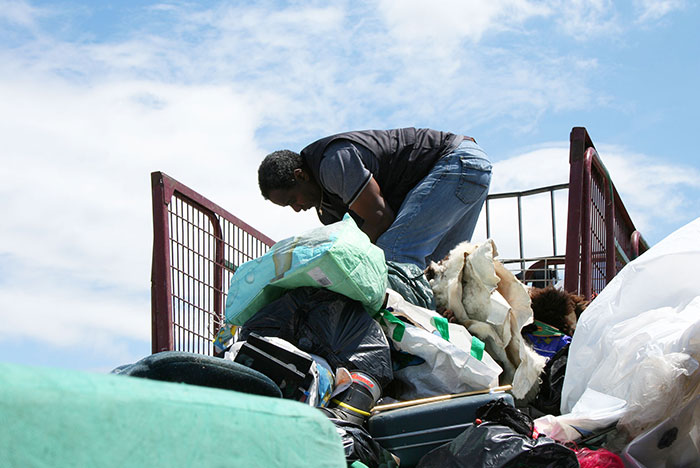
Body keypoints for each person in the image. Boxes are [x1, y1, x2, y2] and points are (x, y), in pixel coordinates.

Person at [258, 127, 491, 269]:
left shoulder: (333, 163)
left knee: (393, 256)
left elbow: (380, 219)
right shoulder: (328, 212)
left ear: (301, 176)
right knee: (436, 274)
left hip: (458, 163)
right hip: (469, 172)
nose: (297, 209)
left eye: (292, 200)